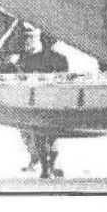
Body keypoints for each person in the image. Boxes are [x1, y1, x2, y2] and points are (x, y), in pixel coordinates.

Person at [16, 26, 68, 179]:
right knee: (52, 137)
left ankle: (46, 169)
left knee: (40, 136)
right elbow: (64, 80)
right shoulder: (61, 59)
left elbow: (23, 78)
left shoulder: (32, 59)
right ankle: (49, 168)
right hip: (54, 100)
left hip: (37, 100)